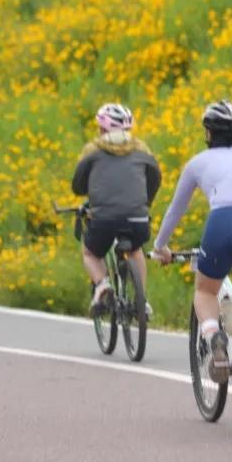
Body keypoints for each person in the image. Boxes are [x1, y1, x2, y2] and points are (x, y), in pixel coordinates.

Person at [152, 100, 232, 383]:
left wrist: (160, 247)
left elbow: (176, 210)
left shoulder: (198, 163)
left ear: (208, 132)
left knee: (205, 290)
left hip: (225, 221)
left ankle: (213, 338)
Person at [72, 103, 161, 318]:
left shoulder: (92, 150)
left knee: (91, 253)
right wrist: (145, 203)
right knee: (136, 250)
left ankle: (102, 285)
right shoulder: (142, 149)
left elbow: (78, 186)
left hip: (104, 219)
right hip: (138, 219)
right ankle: (142, 301)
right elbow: (155, 178)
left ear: (102, 129)